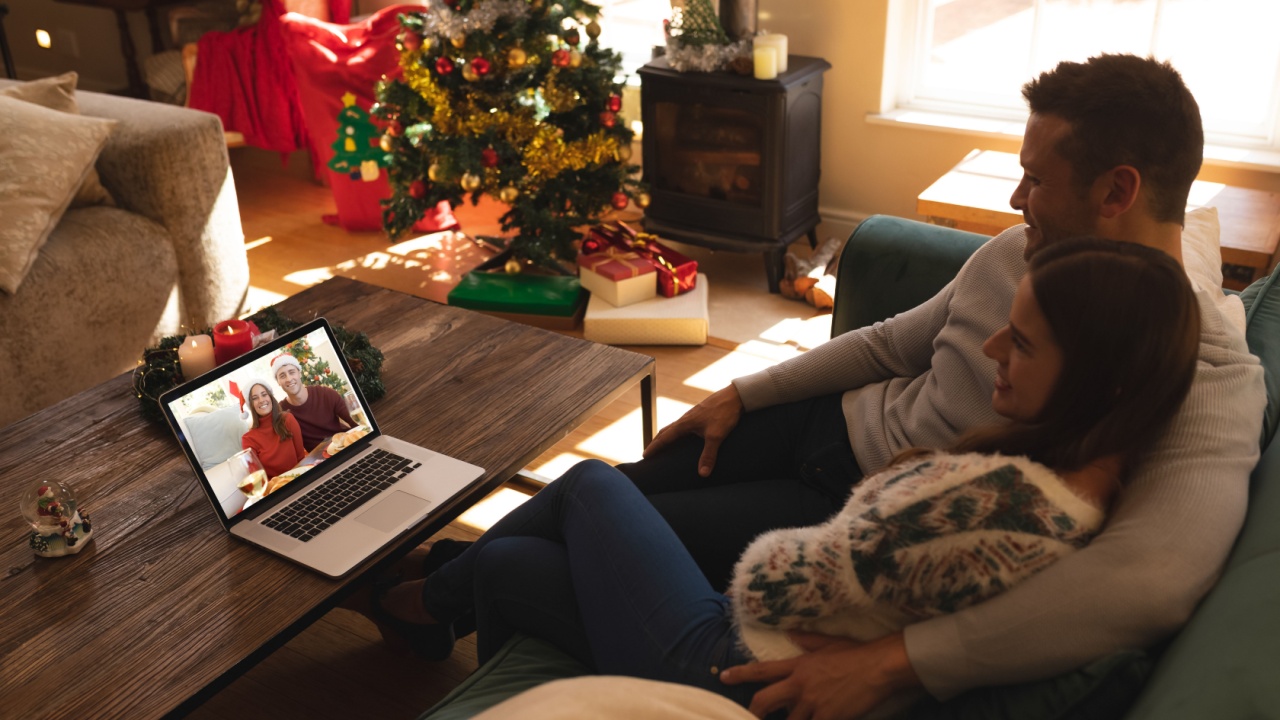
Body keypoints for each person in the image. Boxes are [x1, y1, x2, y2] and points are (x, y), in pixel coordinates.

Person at [603, 53, 1265, 715]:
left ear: (1116, 193)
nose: (1015, 199)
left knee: (589, 508)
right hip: (824, 424)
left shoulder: (1203, 370)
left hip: (858, 512)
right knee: (610, 491)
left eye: (1034, 179)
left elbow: (1152, 578)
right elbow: (892, 342)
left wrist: (898, 663)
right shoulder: (1018, 249)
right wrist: (742, 393)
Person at [367, 238, 1202, 718]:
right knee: (514, 566)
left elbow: (775, 583)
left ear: (1104, 378)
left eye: (1020, 343)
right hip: (758, 647)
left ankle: (413, 592)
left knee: (593, 485)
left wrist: (828, 571)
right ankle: (429, 608)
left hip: (735, 665)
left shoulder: (1008, 509)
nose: (991, 352)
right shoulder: (1059, 479)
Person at [271, 353, 354, 451]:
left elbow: (355, 421)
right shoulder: (281, 412)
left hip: (345, 446)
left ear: (300, 373)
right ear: (278, 382)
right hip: (320, 460)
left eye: (292, 372)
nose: (289, 379)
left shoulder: (325, 394)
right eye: (282, 376)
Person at [240, 379, 305, 479]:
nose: (261, 400)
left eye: (264, 394)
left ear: (270, 397)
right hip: (276, 488)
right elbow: (258, 477)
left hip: (300, 477)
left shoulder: (287, 419)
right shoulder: (248, 439)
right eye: (255, 398)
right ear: (251, 405)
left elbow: (301, 459)